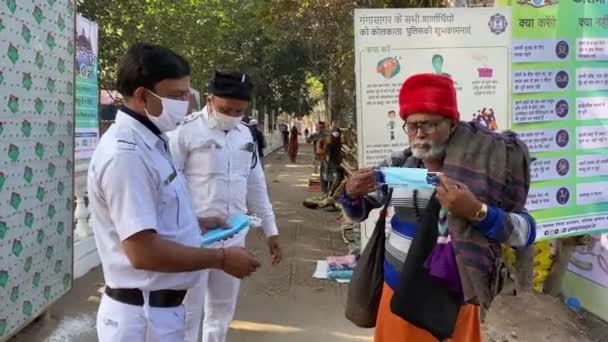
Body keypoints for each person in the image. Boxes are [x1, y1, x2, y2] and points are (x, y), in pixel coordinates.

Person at [340, 74, 536, 342]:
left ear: (452, 124)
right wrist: (351, 194)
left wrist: (477, 211)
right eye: (411, 125)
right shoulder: (401, 164)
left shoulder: (483, 170)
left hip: (451, 305)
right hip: (397, 295)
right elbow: (358, 212)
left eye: (429, 124)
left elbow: (525, 232)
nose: (419, 134)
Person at [88, 44, 259, 342]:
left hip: (158, 313)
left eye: (186, 94)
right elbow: (143, 252)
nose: (185, 104)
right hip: (141, 318)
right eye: (176, 96)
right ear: (142, 95)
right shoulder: (126, 156)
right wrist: (220, 259)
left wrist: (196, 223)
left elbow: (158, 211)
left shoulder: (153, 143)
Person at [168, 71, 282, 342]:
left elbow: (256, 186)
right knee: (188, 312)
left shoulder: (245, 136)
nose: (231, 114)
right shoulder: (185, 130)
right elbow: (169, 184)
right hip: (192, 237)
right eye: (225, 109)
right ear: (209, 100)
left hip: (233, 237)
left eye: (238, 110)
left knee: (222, 311)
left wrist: (271, 230)